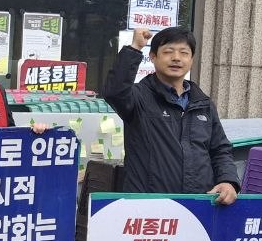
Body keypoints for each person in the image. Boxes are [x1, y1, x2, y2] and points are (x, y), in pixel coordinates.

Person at [101, 25, 239, 204]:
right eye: (168, 52)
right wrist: (134, 48)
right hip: (149, 206)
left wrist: (228, 181)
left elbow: (220, 150)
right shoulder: (139, 97)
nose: (176, 58)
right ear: (153, 57)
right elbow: (114, 92)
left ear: (191, 59)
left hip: (199, 205)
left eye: (184, 53)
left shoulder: (203, 104)